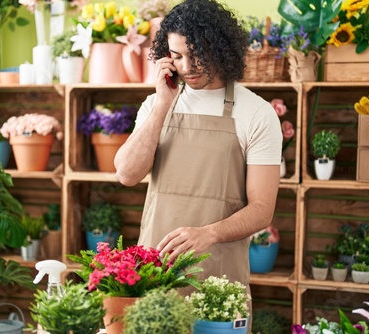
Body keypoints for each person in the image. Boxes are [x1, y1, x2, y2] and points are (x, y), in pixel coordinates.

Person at [114, 0, 282, 326]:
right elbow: (126, 174)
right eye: (177, 56)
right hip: (155, 272)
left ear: (220, 48)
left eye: (197, 54)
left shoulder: (256, 113)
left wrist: (208, 234)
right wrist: (163, 103)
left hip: (220, 279)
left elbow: (263, 208)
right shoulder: (155, 105)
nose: (187, 66)